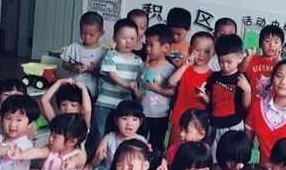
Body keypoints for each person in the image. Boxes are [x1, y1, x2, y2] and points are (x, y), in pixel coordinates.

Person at [90, 18, 142, 150]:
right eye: (124, 38)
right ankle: (95, 158)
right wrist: (127, 86)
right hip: (105, 103)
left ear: (137, 40)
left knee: (118, 136)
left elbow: (139, 81)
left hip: (124, 108)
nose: (128, 42)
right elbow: (111, 75)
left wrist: (137, 91)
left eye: (132, 38)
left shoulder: (138, 60)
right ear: (114, 38)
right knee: (99, 133)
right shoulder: (111, 55)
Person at [84, 100, 147, 170]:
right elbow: (94, 164)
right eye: (124, 118)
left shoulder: (141, 141)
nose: (129, 123)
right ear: (116, 120)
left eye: (134, 119)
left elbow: (144, 168)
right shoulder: (109, 137)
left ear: (140, 122)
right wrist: (98, 157)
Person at [202, 33, 251, 156]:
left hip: (234, 125)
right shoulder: (214, 77)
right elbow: (211, 101)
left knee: (231, 156)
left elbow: (245, 104)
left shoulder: (241, 78)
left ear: (240, 58)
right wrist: (203, 96)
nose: (225, 65)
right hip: (214, 124)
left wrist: (247, 90)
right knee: (213, 156)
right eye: (221, 61)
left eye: (229, 62)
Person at [167, 31, 215, 146]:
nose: (201, 55)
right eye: (197, 50)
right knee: (174, 151)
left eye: (207, 51)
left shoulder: (213, 76)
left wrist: (204, 97)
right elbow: (170, 82)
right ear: (190, 50)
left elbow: (212, 102)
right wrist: (185, 65)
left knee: (194, 154)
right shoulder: (185, 69)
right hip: (180, 120)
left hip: (199, 126)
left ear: (213, 54)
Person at [134, 23, 176, 151]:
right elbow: (139, 85)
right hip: (141, 112)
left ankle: (155, 162)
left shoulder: (169, 69)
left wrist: (157, 89)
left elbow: (173, 92)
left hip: (160, 114)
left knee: (156, 144)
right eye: (147, 44)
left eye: (151, 45)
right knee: (138, 141)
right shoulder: (143, 65)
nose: (147, 48)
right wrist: (136, 91)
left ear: (165, 47)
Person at [60, 11, 106, 99]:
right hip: (73, 90)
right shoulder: (74, 47)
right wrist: (73, 67)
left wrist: (91, 69)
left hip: (92, 92)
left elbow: (105, 74)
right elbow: (64, 65)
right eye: (83, 33)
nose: (87, 37)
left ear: (101, 34)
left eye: (91, 35)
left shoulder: (104, 51)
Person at [240, 24, 284, 100]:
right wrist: (248, 57)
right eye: (267, 41)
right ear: (260, 44)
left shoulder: (282, 64)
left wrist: (280, 64)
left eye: (276, 42)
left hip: (272, 104)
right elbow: (241, 69)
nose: (271, 45)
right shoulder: (252, 59)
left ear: (281, 46)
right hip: (252, 102)